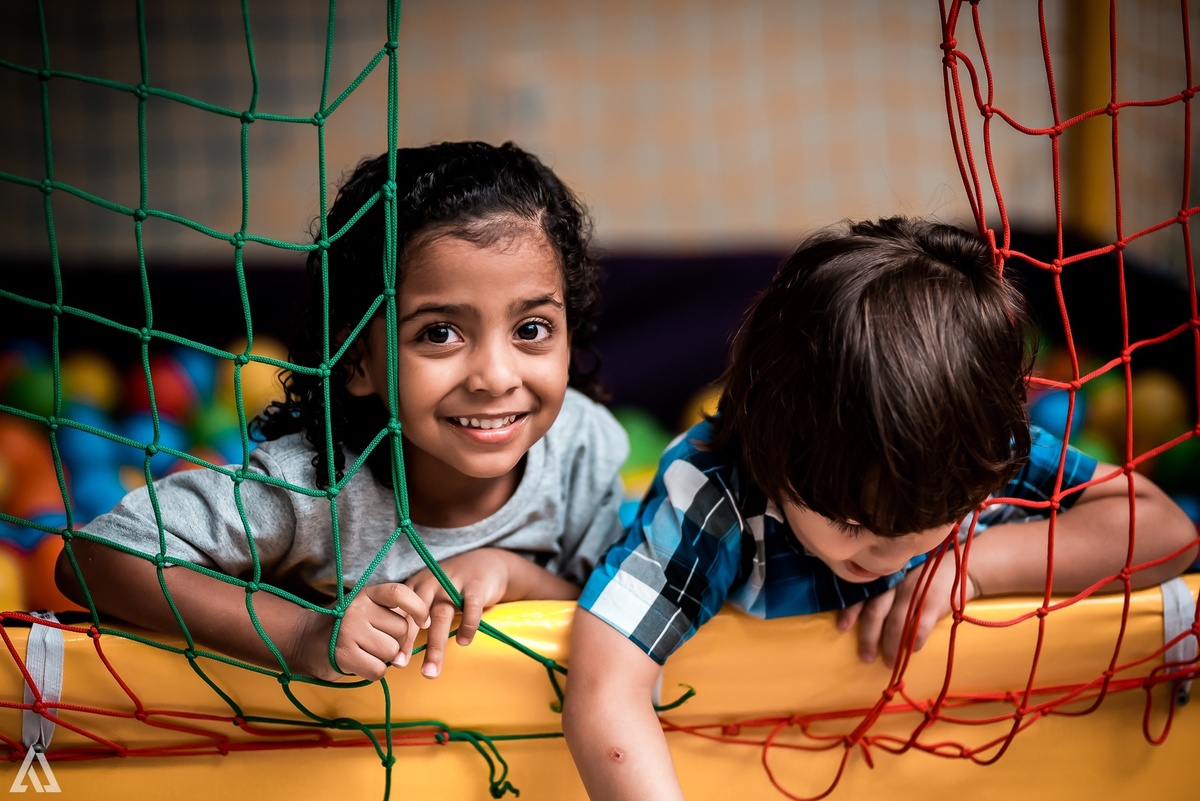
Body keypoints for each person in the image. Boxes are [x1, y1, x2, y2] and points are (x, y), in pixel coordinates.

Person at [561, 216, 1198, 800]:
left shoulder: (976, 447)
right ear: (768, 448)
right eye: (850, 524)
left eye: (925, 528)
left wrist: (974, 563)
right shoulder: (713, 494)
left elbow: (1168, 532)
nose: (886, 554)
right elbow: (604, 688)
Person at [55, 141, 629, 683]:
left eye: (531, 329)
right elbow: (93, 557)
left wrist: (511, 572)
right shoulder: (315, 485)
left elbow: (614, 604)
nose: (496, 378)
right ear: (357, 361)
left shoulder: (582, 444)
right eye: (440, 333)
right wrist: (304, 632)